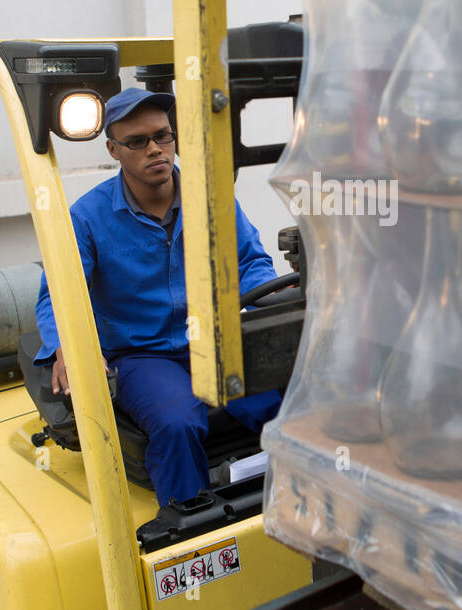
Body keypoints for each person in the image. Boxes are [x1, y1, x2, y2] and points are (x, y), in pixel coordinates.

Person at [33, 87, 283, 505]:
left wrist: (270, 298)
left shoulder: (212, 199)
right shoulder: (87, 218)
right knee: (175, 422)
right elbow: (57, 296)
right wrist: (64, 346)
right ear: (114, 150)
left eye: (162, 136)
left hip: (213, 341)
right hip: (142, 354)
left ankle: (301, 507)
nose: (155, 149)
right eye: (137, 142)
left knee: (284, 401)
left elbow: (249, 261)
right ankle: (190, 531)